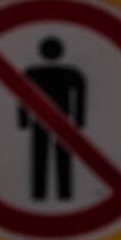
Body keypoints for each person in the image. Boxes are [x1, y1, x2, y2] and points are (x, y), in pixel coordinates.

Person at [17, 36, 87, 200]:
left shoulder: (32, 73)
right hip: (61, 122)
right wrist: (79, 120)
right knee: (62, 158)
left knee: (39, 158)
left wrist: (23, 120)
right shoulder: (71, 74)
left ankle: (39, 194)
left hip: (43, 122)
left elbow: (23, 99)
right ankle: (64, 193)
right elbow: (80, 98)